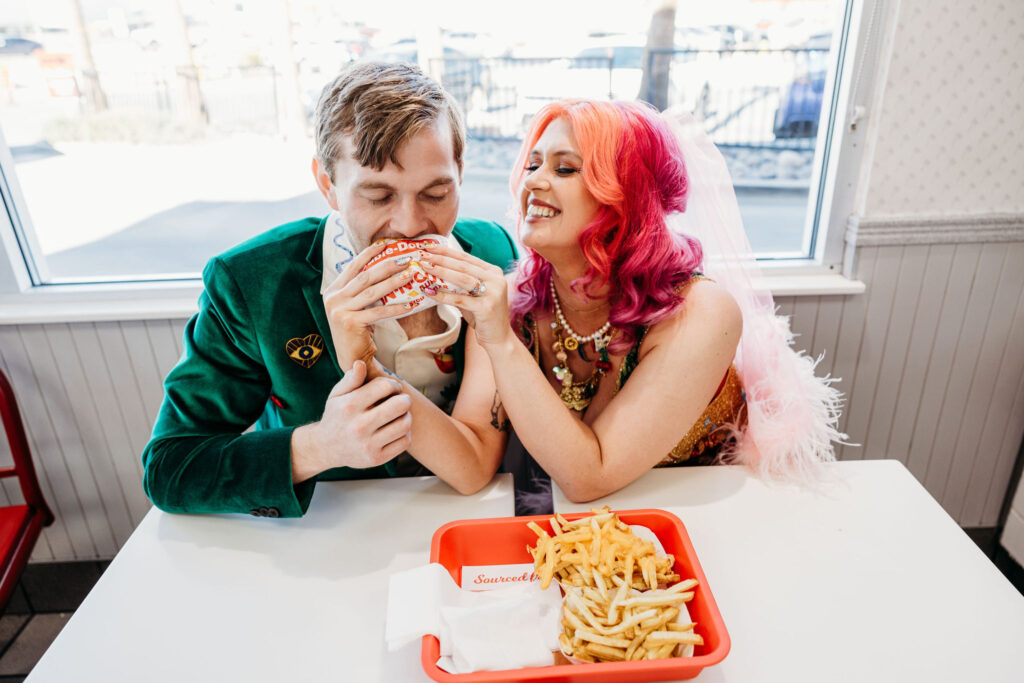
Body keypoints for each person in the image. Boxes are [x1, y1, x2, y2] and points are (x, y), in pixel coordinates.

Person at [417, 99, 843, 509]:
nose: (532, 181)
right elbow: (472, 463)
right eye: (532, 164)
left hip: (708, 523)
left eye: (564, 168)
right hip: (586, 534)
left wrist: (502, 342)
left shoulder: (700, 312)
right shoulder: (509, 303)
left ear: (627, 197)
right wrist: (374, 381)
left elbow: (590, 476)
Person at [142, 62, 517, 518]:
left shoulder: (494, 251)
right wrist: (318, 446)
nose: (410, 226)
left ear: (460, 171)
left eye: (436, 193)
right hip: (330, 535)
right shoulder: (251, 283)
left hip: (465, 517)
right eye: (378, 197)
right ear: (328, 185)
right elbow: (169, 466)